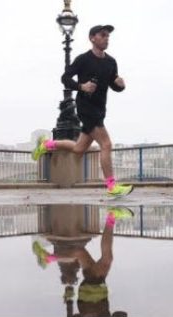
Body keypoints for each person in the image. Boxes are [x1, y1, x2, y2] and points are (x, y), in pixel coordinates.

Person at [31, 25, 133, 197]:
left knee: (79, 148)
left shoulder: (111, 62)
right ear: (92, 38)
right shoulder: (83, 59)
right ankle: (111, 187)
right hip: (86, 108)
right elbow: (65, 78)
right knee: (106, 144)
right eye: (103, 35)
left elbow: (113, 84)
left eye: (108, 36)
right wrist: (81, 86)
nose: (106, 38)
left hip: (100, 108)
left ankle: (46, 144)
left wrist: (120, 84)